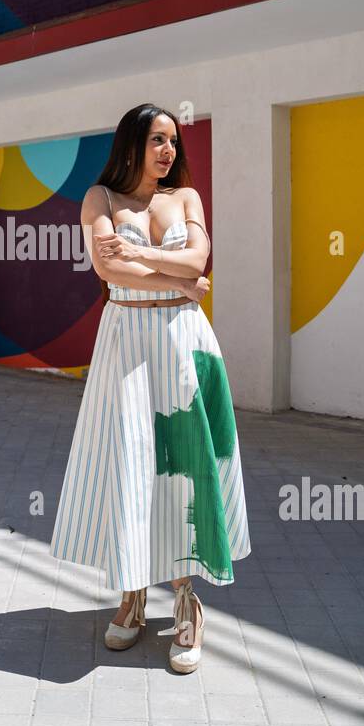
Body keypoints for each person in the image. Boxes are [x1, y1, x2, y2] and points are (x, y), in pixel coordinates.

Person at [49, 103, 251, 673]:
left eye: (173, 142)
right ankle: (134, 592)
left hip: (187, 344)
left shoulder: (187, 199)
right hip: (129, 345)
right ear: (132, 143)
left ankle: (187, 600)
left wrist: (144, 254)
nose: (169, 152)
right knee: (134, 465)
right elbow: (109, 270)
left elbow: (200, 257)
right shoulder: (100, 200)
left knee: (188, 467)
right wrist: (180, 281)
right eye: (158, 140)